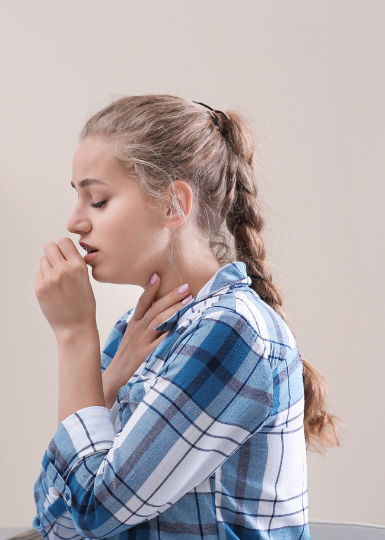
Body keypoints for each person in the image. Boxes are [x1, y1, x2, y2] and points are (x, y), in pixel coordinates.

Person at [31, 95, 339, 539]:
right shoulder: (137, 331)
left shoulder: (233, 330)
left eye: (96, 200)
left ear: (174, 205)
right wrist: (108, 382)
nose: (75, 222)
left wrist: (75, 335)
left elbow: (95, 511)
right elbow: (56, 523)